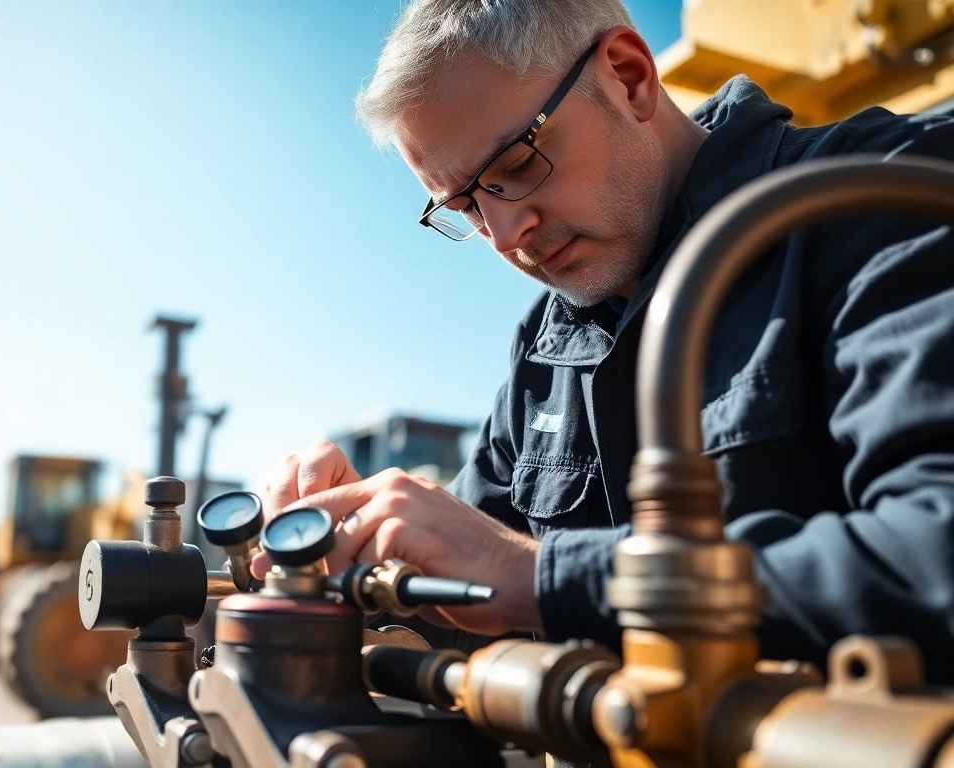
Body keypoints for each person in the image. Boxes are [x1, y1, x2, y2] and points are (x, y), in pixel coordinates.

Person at [251, 0, 954, 684]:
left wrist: (537, 577)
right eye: (466, 205)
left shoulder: (885, 198)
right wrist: (356, 544)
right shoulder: (549, 346)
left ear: (629, 76)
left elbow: (933, 551)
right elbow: (466, 579)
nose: (503, 236)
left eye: (519, 164)